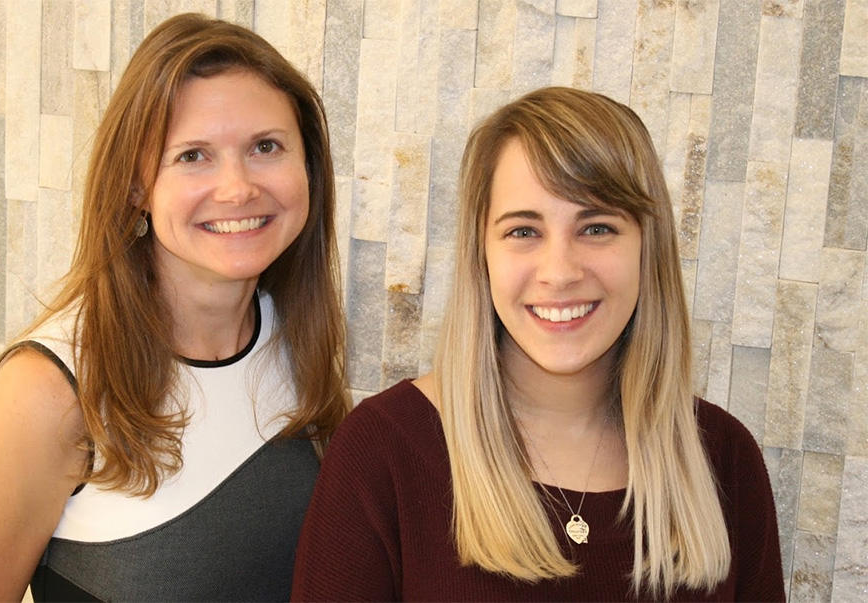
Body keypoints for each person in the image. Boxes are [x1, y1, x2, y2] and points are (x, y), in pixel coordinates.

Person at [291, 87, 785, 601]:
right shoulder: (382, 452)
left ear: (647, 249)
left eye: (597, 227)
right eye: (524, 231)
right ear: (481, 253)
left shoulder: (723, 459)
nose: (560, 273)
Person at [0, 13, 350, 602]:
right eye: (193, 156)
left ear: (309, 168)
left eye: (266, 147)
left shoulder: (297, 340)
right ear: (135, 185)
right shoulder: (50, 391)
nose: (238, 188)